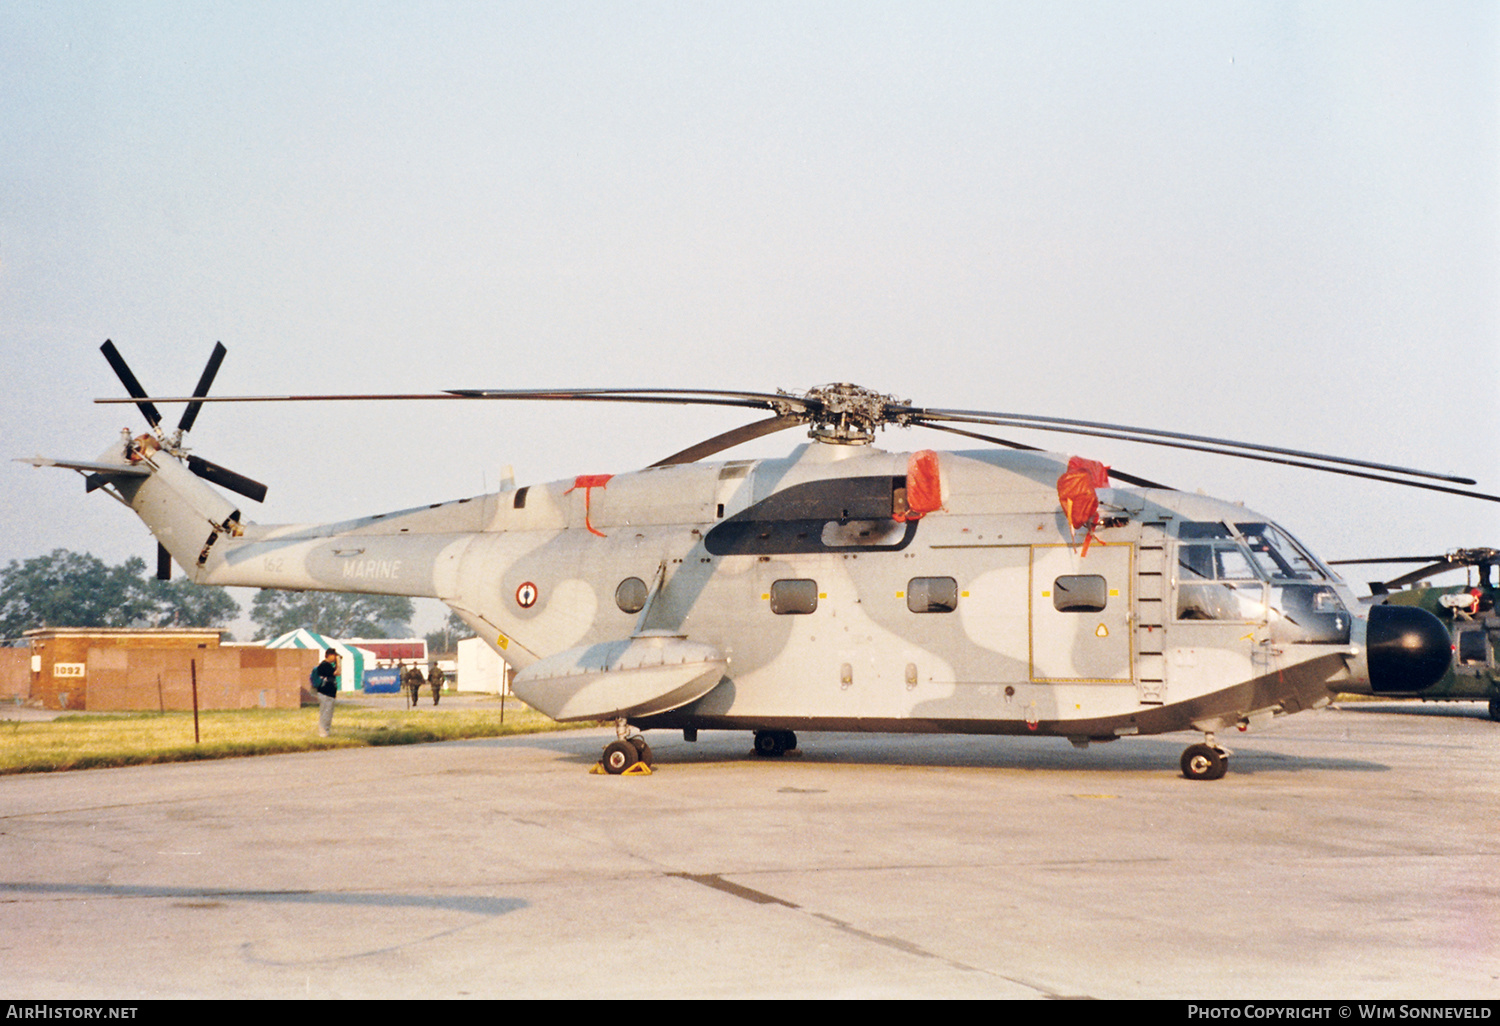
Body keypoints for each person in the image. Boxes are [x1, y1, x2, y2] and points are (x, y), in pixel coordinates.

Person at [313, 648, 340, 737]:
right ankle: (323, 733)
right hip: (325, 694)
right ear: (330, 655)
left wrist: (337, 662)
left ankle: (325, 732)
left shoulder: (328, 666)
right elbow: (338, 672)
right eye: (334, 656)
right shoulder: (324, 665)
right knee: (325, 714)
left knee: (327, 714)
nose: (335, 657)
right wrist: (338, 662)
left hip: (329, 694)